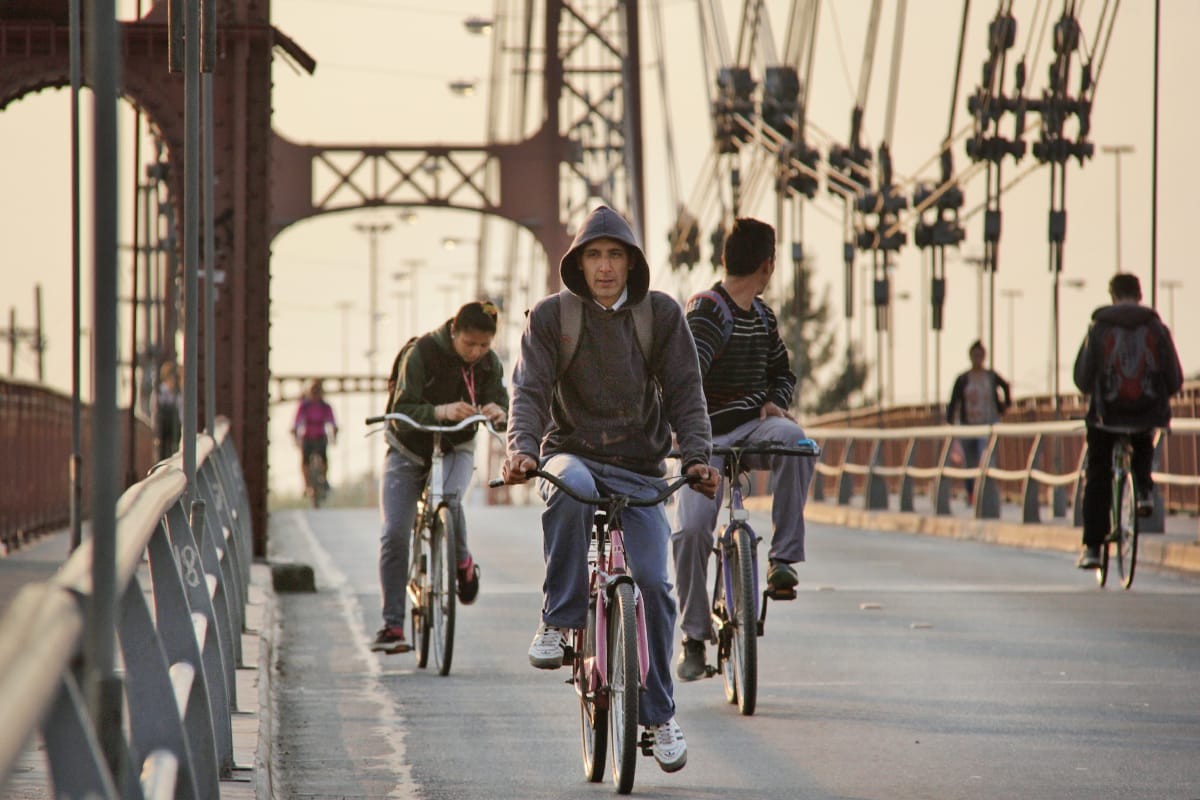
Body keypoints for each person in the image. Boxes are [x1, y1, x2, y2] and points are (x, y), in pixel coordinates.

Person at [499, 205, 719, 774]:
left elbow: (686, 393)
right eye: (593, 256)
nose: (604, 267)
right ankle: (559, 618)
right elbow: (529, 391)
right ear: (577, 262)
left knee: (655, 587)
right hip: (572, 453)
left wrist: (697, 458)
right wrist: (522, 449)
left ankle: (660, 714)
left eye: (614, 255)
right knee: (569, 485)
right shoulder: (552, 317)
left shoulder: (660, 315)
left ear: (631, 262)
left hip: (640, 468)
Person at [670, 217, 815, 682]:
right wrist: (683, 437)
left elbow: (783, 373)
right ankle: (694, 637)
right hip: (704, 440)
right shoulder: (707, 313)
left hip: (752, 429)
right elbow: (686, 377)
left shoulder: (763, 317)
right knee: (692, 530)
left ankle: (782, 561)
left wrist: (776, 402)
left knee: (798, 443)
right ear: (768, 265)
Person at [372, 300, 508, 654]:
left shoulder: (489, 363)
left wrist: (498, 411)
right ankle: (393, 625)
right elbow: (400, 408)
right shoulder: (422, 353)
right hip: (408, 448)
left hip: (456, 447)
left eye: (484, 345)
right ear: (453, 332)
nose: (476, 352)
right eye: (469, 344)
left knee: (450, 500)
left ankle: (462, 563)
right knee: (394, 532)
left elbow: (501, 400)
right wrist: (440, 411)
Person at [1071, 273, 1183, 569]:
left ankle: (1093, 548)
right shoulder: (1156, 327)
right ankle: (1144, 491)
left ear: (1112, 296)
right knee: (1143, 441)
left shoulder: (1099, 326)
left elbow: (1082, 378)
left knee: (1098, 473)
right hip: (1146, 413)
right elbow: (1175, 379)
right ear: (1140, 294)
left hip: (1106, 416)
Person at [945, 340, 1011, 503]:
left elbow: (1005, 386)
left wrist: (1004, 406)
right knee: (970, 463)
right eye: (975, 355)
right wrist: (950, 421)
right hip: (968, 426)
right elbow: (954, 401)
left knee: (986, 459)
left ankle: (986, 494)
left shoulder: (990, 376)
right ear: (970, 356)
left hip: (987, 425)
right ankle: (971, 494)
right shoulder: (963, 378)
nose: (977, 358)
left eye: (980, 355)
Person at [292, 379, 338, 494]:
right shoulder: (304, 406)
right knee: (305, 461)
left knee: (324, 459)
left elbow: (332, 422)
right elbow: (297, 422)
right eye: (314, 392)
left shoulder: (325, 407)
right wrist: (295, 435)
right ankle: (306, 484)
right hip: (307, 436)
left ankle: (324, 479)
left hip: (320, 436)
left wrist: (334, 435)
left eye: (318, 391)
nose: (316, 394)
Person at [154, 360, 182, 461]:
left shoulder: (178, 393)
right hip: (163, 431)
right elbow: (154, 413)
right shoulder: (160, 392)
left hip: (175, 431)